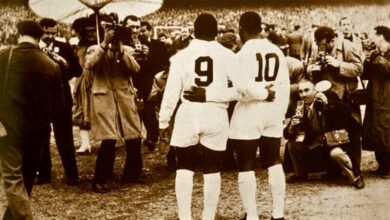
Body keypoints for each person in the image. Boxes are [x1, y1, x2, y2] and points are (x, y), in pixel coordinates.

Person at [184, 11, 289, 220]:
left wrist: (208, 94)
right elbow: (284, 85)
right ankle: (278, 213)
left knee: (246, 164)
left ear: (241, 30)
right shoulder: (276, 51)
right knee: (273, 162)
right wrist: (280, 112)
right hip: (273, 110)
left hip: (249, 113)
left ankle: (252, 215)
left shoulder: (241, 55)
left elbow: (242, 90)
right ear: (261, 29)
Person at [158, 13, 235, 220]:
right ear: (217, 32)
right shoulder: (227, 55)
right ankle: (208, 216)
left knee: (184, 165)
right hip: (216, 111)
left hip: (188, 111)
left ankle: (185, 216)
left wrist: (164, 120)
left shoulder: (180, 56)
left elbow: (171, 91)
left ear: (193, 31)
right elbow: (240, 89)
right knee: (212, 167)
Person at [0, 20, 63, 219]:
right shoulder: (51, 64)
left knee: (12, 177)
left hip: (8, 128)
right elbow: (59, 106)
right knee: (26, 178)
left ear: (18, 34)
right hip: (38, 130)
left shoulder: (4, 57)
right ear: (40, 37)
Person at [84, 18, 142, 193]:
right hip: (105, 98)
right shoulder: (94, 49)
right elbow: (89, 65)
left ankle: (132, 174)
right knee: (108, 139)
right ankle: (101, 179)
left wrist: (121, 51)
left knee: (134, 136)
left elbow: (135, 69)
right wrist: (104, 45)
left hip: (124, 96)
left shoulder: (128, 50)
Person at [306, 26, 364, 180]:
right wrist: (312, 68)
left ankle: (355, 168)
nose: (321, 48)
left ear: (333, 40)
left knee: (352, 131)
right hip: (328, 97)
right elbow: (309, 65)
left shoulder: (347, 46)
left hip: (346, 97)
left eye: (325, 45)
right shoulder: (316, 47)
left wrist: (339, 64)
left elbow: (359, 68)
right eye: (319, 45)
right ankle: (335, 169)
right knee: (330, 131)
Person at [285, 79, 365, 189]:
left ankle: (356, 176)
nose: (303, 94)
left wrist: (328, 104)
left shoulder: (328, 98)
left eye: (307, 90)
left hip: (337, 136)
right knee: (292, 144)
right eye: (300, 91)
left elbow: (346, 114)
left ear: (314, 90)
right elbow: (287, 134)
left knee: (336, 153)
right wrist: (291, 127)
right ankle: (301, 174)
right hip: (318, 140)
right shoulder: (300, 106)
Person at [36, 18, 81, 185]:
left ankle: (72, 175)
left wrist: (63, 63)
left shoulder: (64, 47)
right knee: (42, 138)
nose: (50, 36)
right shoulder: (32, 49)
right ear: (39, 31)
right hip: (40, 100)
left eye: (53, 33)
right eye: (46, 33)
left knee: (65, 139)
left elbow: (77, 71)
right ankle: (44, 174)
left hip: (61, 99)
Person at [137, 20, 170, 151]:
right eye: (140, 30)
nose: (141, 33)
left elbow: (165, 62)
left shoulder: (159, 45)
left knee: (155, 111)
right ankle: (149, 136)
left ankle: (155, 136)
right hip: (142, 82)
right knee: (144, 110)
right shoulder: (136, 45)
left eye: (143, 30)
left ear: (150, 30)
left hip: (156, 81)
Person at [362, 26, 390, 178]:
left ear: (382, 37)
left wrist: (376, 57)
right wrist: (367, 58)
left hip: (386, 97)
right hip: (375, 98)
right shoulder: (376, 54)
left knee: (386, 131)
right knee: (376, 130)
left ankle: (388, 167)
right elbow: (365, 75)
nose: (372, 40)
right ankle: (382, 164)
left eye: (375, 36)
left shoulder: (384, 54)